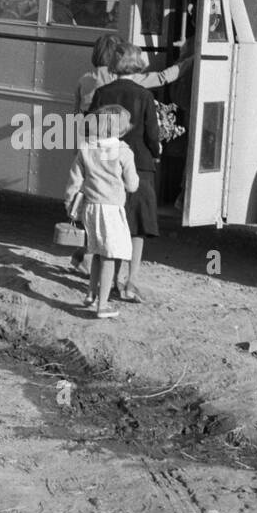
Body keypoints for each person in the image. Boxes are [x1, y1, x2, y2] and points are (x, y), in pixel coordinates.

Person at [89, 44, 161, 302]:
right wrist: (157, 150)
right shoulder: (145, 96)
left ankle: (103, 284)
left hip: (107, 163)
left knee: (112, 222)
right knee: (137, 227)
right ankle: (130, 282)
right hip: (139, 164)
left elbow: (91, 128)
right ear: (138, 64)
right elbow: (153, 135)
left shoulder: (101, 92)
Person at [63, 105, 140, 318]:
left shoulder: (87, 149)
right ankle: (103, 305)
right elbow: (132, 185)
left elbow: (74, 181)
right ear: (123, 129)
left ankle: (91, 294)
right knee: (109, 256)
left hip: (90, 208)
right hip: (111, 209)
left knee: (96, 251)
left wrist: (70, 205)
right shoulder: (123, 152)